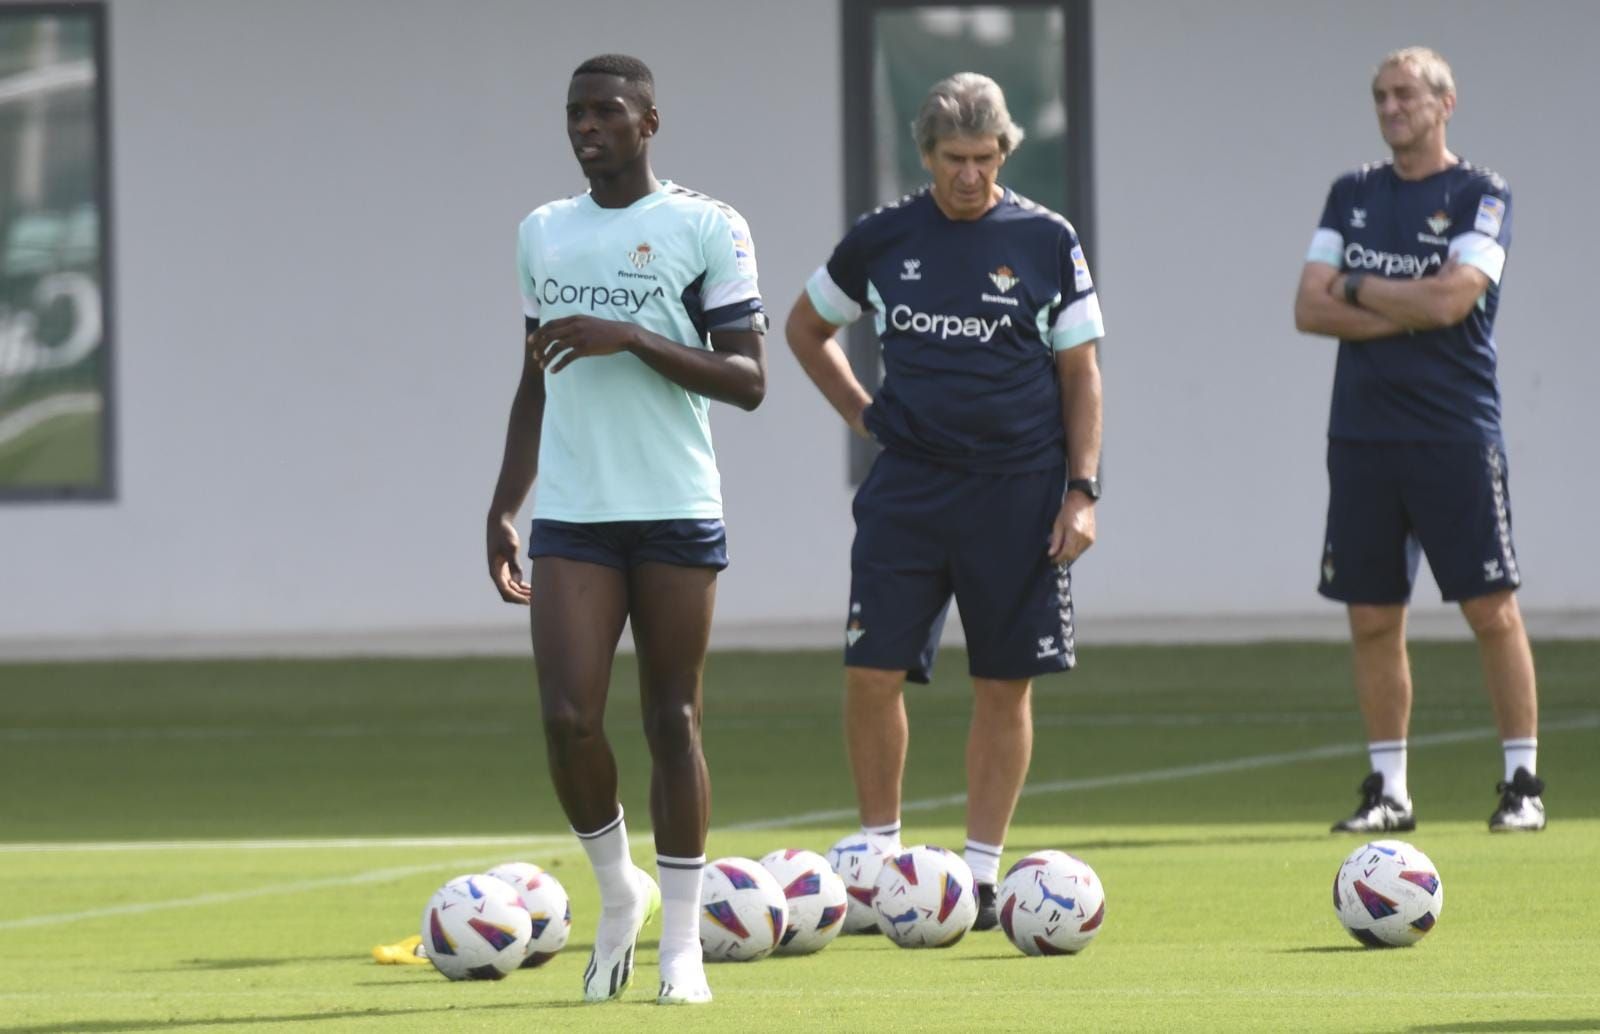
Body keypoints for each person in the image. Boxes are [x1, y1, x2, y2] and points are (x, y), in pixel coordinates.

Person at [785, 73, 1105, 929]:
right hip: (909, 492)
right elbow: (804, 328)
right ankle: (878, 857)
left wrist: (1081, 492)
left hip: (1020, 493)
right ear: (925, 155)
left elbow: (1082, 375)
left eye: (986, 158)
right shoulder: (882, 238)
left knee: (1004, 684)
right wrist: (863, 414)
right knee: (870, 671)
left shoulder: (1047, 239)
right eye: (955, 159)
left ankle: (981, 873)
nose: (972, 174)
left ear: (1005, 152)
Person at [484, 54, 767, 1004]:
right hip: (574, 513)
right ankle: (619, 895)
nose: (586, 125)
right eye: (575, 113)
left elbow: (750, 381)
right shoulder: (541, 231)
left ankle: (682, 949)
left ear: (650, 123)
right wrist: (503, 502)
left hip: (676, 509)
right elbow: (535, 377)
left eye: (606, 111)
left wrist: (637, 338)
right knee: (567, 718)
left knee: (672, 719)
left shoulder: (705, 225)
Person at [1293, 47, 1544, 834]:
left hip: (1454, 433)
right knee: (1372, 616)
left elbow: (1453, 300)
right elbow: (1308, 307)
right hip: (1363, 435)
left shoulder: (1481, 194)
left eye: (1405, 94)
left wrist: (1362, 289)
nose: (1391, 106)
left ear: (1445, 103)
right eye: (1380, 95)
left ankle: (1522, 783)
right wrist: (1411, 303)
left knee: (1491, 608)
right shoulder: (1351, 193)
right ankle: (1389, 789)